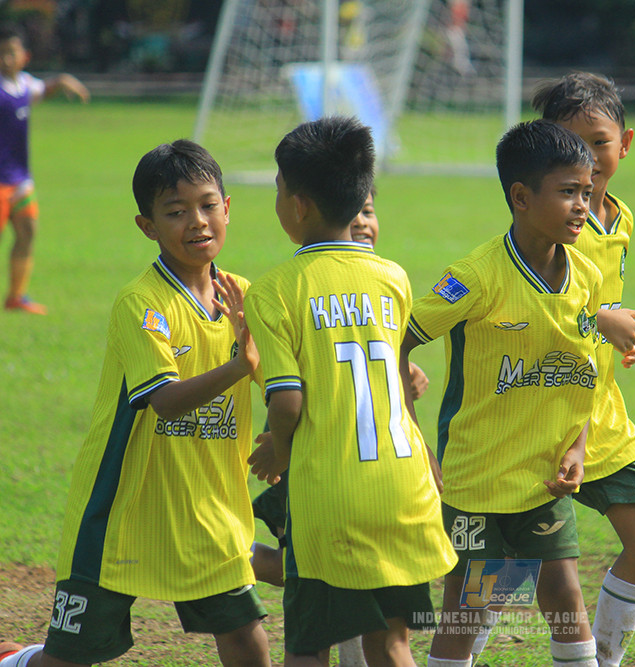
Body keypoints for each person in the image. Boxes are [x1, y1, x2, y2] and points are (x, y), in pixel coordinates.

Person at [0, 140, 270, 667]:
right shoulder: (141, 303)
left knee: (245, 636)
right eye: (176, 211)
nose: (197, 222)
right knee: (70, 658)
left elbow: (284, 378)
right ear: (148, 226)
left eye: (207, 205)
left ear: (227, 208)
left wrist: (281, 435)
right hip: (121, 510)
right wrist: (239, 367)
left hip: (207, 509)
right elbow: (164, 401)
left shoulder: (243, 296)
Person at [401, 119, 635, 667]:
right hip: (477, 482)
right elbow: (397, 343)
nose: (582, 206)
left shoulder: (587, 277)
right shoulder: (475, 277)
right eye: (568, 192)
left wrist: (578, 448)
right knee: (469, 608)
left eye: (587, 191)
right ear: (520, 197)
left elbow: (584, 372)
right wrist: (416, 442)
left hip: (542, 480)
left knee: (564, 595)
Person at [465, 72, 635, 667]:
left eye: (599, 142)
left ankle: (604, 657)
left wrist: (614, 329)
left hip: (599, 409)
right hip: (538, 407)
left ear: (624, 144)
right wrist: (600, 317)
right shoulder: (551, 218)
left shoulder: (619, 219)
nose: (587, 158)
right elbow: (536, 295)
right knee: (503, 572)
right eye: (571, 144)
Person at [243, 115, 457, 667]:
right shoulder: (394, 277)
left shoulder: (274, 291)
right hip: (404, 486)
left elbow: (287, 400)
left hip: (331, 500)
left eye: (278, 188)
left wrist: (279, 450)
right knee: (391, 643)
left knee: (308, 648)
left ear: (299, 205)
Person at [0, 22, 89, 314]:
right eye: (1, 53)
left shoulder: (24, 85)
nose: (6, 59)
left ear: (24, 56)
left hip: (20, 179)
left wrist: (62, 81)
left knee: (27, 232)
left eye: (11, 52)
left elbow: (42, 90)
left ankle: (16, 296)